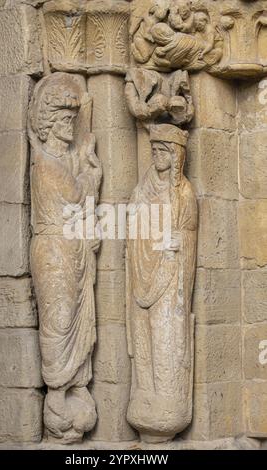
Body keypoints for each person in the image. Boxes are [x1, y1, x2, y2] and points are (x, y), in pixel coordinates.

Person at [28, 72, 102, 443]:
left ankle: (75, 385)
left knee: (76, 315)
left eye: (73, 119)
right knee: (59, 321)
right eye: (64, 120)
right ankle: (57, 393)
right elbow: (77, 195)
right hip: (54, 252)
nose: (70, 126)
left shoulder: (62, 162)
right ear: (47, 125)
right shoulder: (46, 165)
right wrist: (91, 169)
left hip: (71, 250)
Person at [126, 124, 197, 442]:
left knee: (166, 334)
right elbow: (132, 222)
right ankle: (145, 396)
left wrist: (176, 241)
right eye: (153, 149)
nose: (156, 155)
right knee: (144, 337)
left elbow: (188, 235)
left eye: (163, 150)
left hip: (170, 277)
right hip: (142, 273)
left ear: (176, 155)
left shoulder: (184, 194)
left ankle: (168, 401)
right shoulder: (142, 188)